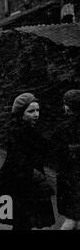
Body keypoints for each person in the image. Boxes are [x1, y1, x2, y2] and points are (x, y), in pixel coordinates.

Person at [0, 93, 55, 230]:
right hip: (18, 182)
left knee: (25, 223)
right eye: (31, 111)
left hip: (29, 180)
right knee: (21, 221)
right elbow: (17, 161)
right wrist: (38, 177)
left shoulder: (33, 130)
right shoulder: (17, 132)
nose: (36, 114)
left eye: (37, 110)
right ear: (20, 113)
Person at [51, 90, 80, 230]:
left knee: (71, 220)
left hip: (69, 181)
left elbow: (57, 155)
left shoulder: (62, 129)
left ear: (68, 107)